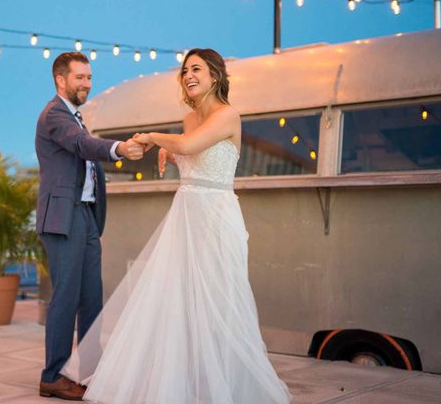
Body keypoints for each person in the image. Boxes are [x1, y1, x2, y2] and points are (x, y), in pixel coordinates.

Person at [61, 48, 293, 404]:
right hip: (185, 216)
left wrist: (155, 139)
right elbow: (189, 148)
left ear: (215, 75)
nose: (188, 75)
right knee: (178, 299)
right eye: (185, 70)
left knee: (218, 300)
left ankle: (223, 386)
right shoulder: (191, 117)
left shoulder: (228, 115)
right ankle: (187, 384)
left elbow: (190, 144)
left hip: (215, 218)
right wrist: (173, 153)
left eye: (196, 69)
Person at [36, 52, 145, 400]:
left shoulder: (75, 115)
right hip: (62, 220)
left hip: (84, 217)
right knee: (65, 298)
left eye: (89, 77)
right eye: (80, 77)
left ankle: (90, 372)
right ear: (60, 80)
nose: (87, 83)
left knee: (91, 299)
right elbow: (83, 146)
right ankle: (52, 376)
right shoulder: (55, 114)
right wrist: (120, 148)